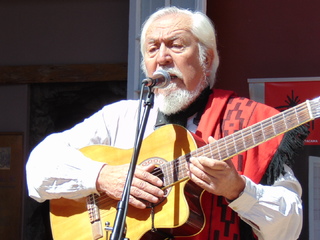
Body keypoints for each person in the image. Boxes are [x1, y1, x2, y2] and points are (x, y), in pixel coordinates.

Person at [26, 6, 307, 240]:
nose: (162, 58)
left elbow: (290, 227)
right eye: (152, 49)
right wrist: (102, 176)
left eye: (176, 45)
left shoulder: (250, 121)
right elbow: (38, 168)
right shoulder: (120, 117)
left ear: (206, 59)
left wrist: (239, 190)